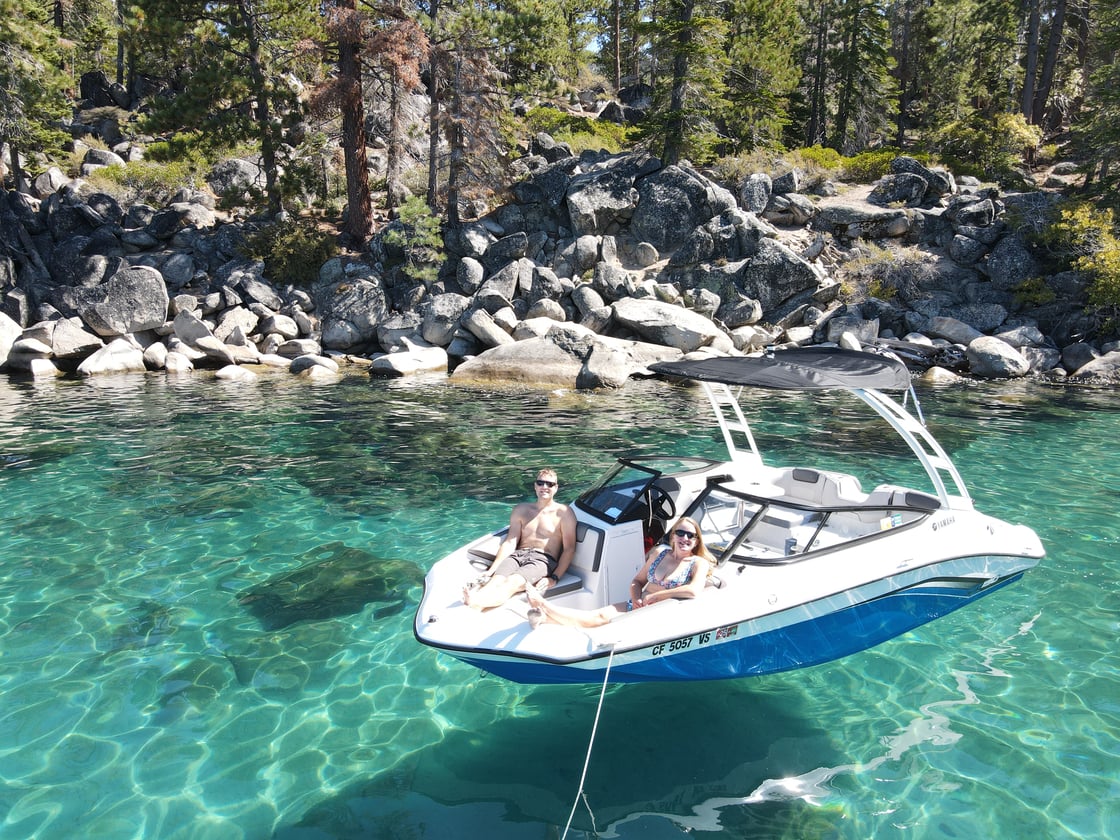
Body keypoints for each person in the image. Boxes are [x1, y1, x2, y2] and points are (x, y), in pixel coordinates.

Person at [524, 516, 714, 628]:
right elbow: (637, 581)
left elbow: (693, 590)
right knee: (599, 615)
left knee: (600, 621)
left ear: (696, 541)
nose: (685, 538)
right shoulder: (659, 553)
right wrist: (637, 598)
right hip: (639, 606)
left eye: (691, 535)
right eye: (680, 533)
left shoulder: (698, 563)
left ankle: (544, 607)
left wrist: (658, 596)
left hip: (659, 614)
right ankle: (545, 617)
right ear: (673, 536)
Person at [463, 467, 578, 610]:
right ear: (535, 485)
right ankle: (473, 604)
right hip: (518, 555)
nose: (544, 487)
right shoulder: (521, 509)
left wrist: (554, 578)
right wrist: (492, 570)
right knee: (495, 580)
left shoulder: (564, 512)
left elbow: (569, 549)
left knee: (512, 582)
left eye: (550, 484)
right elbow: (510, 542)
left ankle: (476, 605)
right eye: (541, 483)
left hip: (542, 559)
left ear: (556, 488)